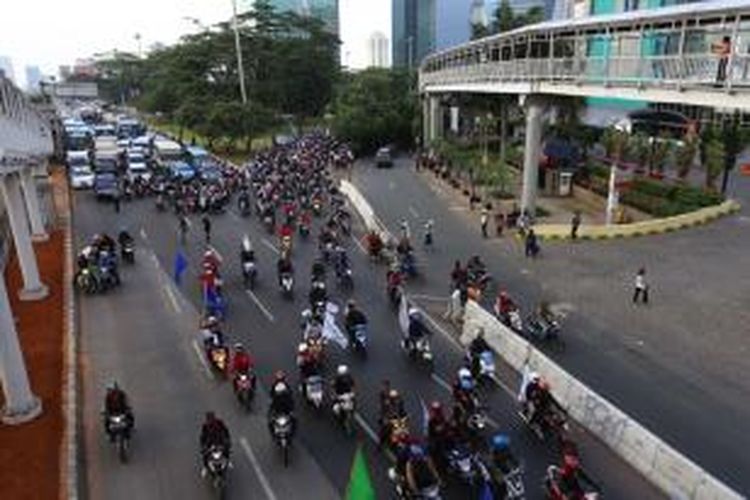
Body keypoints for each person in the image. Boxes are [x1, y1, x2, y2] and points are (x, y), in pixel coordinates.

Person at [268, 371, 296, 435]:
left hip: (286, 407)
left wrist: (291, 410)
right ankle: (273, 433)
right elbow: (271, 395)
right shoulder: (274, 385)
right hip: (277, 408)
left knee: (294, 419)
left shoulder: (286, 385)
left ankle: (293, 432)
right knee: (271, 421)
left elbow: (290, 394)